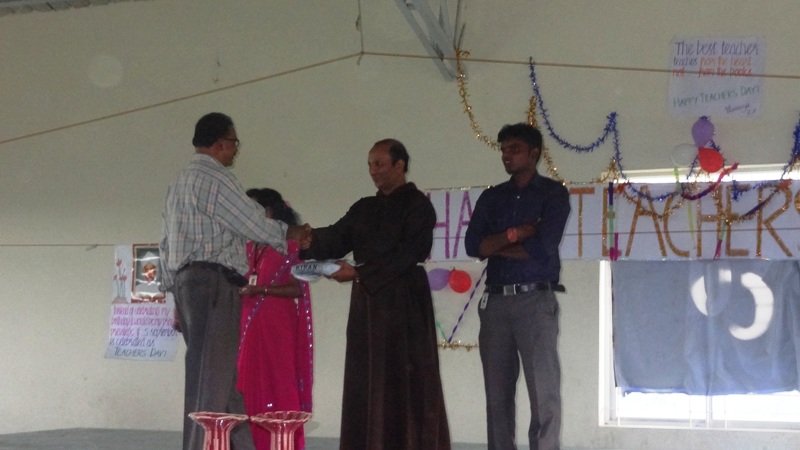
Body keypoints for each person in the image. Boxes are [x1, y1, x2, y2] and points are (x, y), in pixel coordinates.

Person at [159, 112, 310, 450]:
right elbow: (250, 221)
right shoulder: (216, 178)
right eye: (234, 143)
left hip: (187, 284)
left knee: (223, 380)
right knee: (211, 381)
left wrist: (175, 298)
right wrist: (290, 232)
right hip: (213, 282)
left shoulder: (178, 183)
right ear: (220, 143)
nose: (235, 150)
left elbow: (165, 242)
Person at [301, 139, 451, 450]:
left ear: (400, 165)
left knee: (405, 380)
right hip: (368, 306)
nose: (373, 171)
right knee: (367, 379)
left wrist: (360, 273)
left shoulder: (418, 206)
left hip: (405, 302)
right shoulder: (364, 208)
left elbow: (411, 253)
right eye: (370, 164)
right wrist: (306, 239)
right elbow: (335, 238)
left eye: (379, 164)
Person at [464, 123, 570, 450]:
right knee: (497, 395)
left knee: (543, 392)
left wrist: (496, 245)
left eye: (514, 149)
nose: (506, 155)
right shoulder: (492, 197)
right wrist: (516, 234)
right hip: (495, 304)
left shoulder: (553, 194)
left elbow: (542, 247)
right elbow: (473, 246)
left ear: (534, 153)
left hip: (535, 301)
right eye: (503, 149)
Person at [237, 188, 313, 450]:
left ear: (269, 212)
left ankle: (280, 442)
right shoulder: (247, 246)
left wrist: (262, 290)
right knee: (247, 381)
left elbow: (298, 288)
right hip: (249, 324)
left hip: (278, 323)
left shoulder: (289, 245)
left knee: (278, 381)